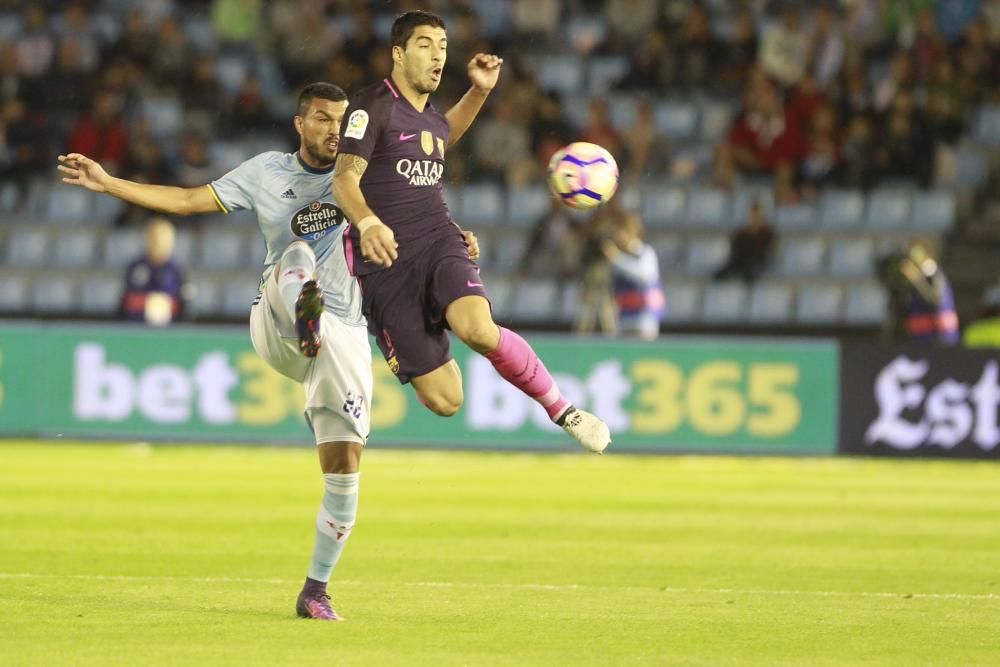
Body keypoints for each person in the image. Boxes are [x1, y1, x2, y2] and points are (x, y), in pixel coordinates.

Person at [58, 83, 422, 621]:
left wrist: (457, 239)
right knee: (297, 253)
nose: (333, 129)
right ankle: (306, 311)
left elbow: (416, 221)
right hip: (277, 320)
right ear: (300, 124)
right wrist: (109, 183)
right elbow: (186, 200)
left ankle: (315, 591)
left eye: (342, 121)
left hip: (342, 334)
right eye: (322, 119)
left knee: (345, 472)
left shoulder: (366, 173)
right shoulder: (267, 173)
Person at [332, 10, 611, 453]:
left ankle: (564, 410)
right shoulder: (371, 108)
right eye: (426, 45)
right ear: (398, 54)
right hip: (385, 266)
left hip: (440, 241)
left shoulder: (428, 117)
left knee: (479, 330)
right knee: (447, 400)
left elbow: (443, 136)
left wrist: (480, 91)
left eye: (443, 46)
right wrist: (367, 223)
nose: (438, 55)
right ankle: (425, 329)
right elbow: (344, 178)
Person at [878, 242, 959, 345]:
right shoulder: (912, 283)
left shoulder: (933, 275)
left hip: (940, 337)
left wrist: (916, 279)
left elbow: (935, 300)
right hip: (919, 338)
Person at [601, 212, 664, 341]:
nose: (617, 236)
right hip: (624, 316)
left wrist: (617, 260)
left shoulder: (644, 252)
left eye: (620, 231)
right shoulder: (620, 256)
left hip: (644, 317)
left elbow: (645, 276)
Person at [119, 216, 188, 326]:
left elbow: (184, 305)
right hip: (136, 329)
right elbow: (124, 302)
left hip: (169, 332)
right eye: (153, 238)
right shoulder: (135, 266)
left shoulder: (176, 269)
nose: (158, 243)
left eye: (163, 239)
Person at [713, 200, 775, 283]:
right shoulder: (741, 232)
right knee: (722, 273)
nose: (754, 217)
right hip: (740, 260)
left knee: (749, 272)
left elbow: (764, 251)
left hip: (756, 262)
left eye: (757, 214)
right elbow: (735, 249)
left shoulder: (767, 232)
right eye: (752, 214)